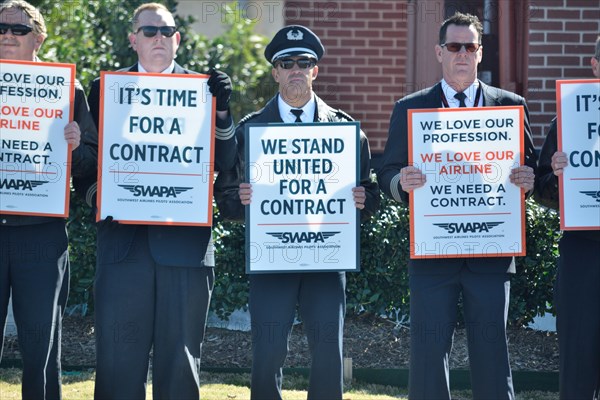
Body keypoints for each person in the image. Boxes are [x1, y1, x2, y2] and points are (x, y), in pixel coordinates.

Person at [377, 12, 537, 400]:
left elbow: (528, 168)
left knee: (492, 352)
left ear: (480, 53)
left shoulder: (509, 106)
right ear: (439, 52)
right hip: (433, 252)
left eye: (470, 46)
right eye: (454, 46)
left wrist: (528, 181)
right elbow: (387, 172)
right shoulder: (411, 108)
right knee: (429, 353)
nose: (462, 53)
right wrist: (402, 183)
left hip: (492, 249)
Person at [80, 3, 236, 399]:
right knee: (117, 361)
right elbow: (87, 164)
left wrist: (223, 114)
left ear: (177, 39)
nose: (159, 39)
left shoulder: (205, 88)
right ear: (133, 39)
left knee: (181, 363)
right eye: (150, 32)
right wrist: (100, 196)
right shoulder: (105, 90)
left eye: (167, 32)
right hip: (122, 246)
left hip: (185, 248)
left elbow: (230, 162)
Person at [216, 25, 379, 400]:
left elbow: (370, 195)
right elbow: (225, 198)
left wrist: (362, 199)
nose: (295, 70)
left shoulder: (344, 130)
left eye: (303, 63)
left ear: (315, 71)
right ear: (275, 72)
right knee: (268, 351)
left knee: (328, 353)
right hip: (272, 258)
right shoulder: (250, 130)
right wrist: (239, 201)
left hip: (326, 259)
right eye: (286, 63)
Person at [0, 1, 98, 399]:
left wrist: (75, 146)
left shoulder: (66, 88)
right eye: (1, 28)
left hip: (41, 233)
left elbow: (91, 163)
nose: (7, 35)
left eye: (17, 30)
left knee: (41, 346)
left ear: (38, 38)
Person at [535, 36, 600, 400]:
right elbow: (542, 189)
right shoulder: (570, 118)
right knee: (577, 359)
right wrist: (558, 175)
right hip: (583, 253)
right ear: (594, 65)